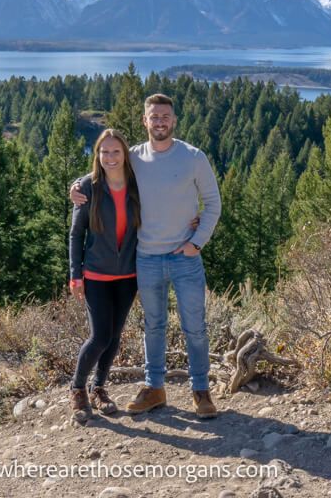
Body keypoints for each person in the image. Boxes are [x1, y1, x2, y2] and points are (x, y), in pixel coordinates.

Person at [71, 93, 222, 419]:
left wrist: (197, 242)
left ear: (174, 120)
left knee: (194, 327)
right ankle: (154, 388)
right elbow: (102, 171)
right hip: (147, 259)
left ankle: (201, 391)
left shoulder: (193, 157)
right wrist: (75, 188)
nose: (159, 122)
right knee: (153, 326)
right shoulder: (134, 158)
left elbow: (213, 203)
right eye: (153, 117)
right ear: (145, 121)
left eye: (165, 116)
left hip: (185, 257)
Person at [67, 128, 142, 423]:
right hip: (96, 274)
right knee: (99, 336)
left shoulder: (138, 184)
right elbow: (76, 235)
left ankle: (99, 387)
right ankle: (77, 388)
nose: (110, 157)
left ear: (125, 155)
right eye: (104, 152)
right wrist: (75, 275)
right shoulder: (88, 186)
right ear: (97, 155)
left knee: (114, 337)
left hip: (128, 274)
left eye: (116, 152)